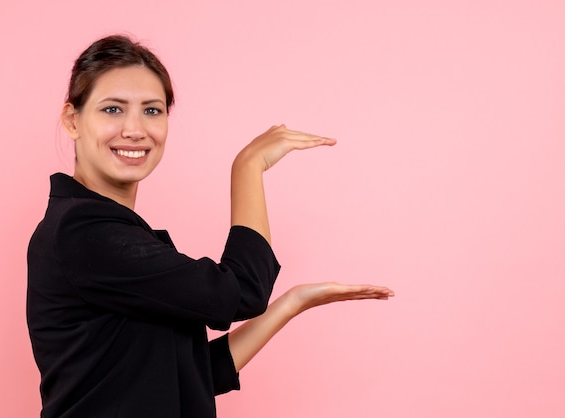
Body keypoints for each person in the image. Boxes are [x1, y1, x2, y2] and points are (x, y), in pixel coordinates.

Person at [26, 35, 394, 418]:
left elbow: (194, 374)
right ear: (73, 120)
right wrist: (249, 166)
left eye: (152, 111)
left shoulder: (113, 234)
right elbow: (241, 292)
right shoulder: (84, 231)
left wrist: (293, 303)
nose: (135, 129)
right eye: (113, 109)